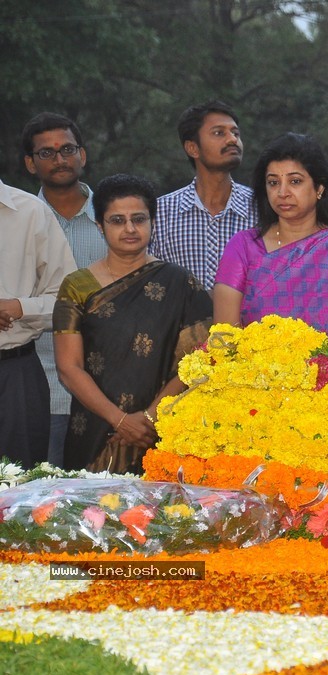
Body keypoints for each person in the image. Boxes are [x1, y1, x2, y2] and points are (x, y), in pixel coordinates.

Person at [53, 174, 212, 474]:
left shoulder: (181, 283)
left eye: (138, 219)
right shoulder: (77, 286)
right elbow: (69, 368)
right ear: (100, 226)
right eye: (117, 220)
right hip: (95, 429)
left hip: (163, 430)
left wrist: (150, 417)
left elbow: (199, 360)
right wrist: (121, 420)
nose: (129, 228)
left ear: (152, 222)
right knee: (89, 503)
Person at [213, 133, 328, 334]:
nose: (282, 192)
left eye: (295, 181)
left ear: (319, 188)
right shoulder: (244, 246)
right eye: (273, 182)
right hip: (250, 355)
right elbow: (224, 336)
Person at [21, 112, 108, 465]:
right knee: (42, 490)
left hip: (112, 389)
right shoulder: (17, 222)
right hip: (41, 388)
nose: (59, 159)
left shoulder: (116, 218)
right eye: (47, 152)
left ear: (82, 155)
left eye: (67, 149)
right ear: (30, 163)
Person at [0, 180, 76, 467]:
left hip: (14, 374)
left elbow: (68, 299)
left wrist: (19, 307)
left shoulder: (31, 211)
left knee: (20, 484)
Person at [150, 100, 257, 289]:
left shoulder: (261, 208)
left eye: (235, 133)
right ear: (192, 148)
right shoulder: (160, 214)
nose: (232, 140)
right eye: (219, 133)